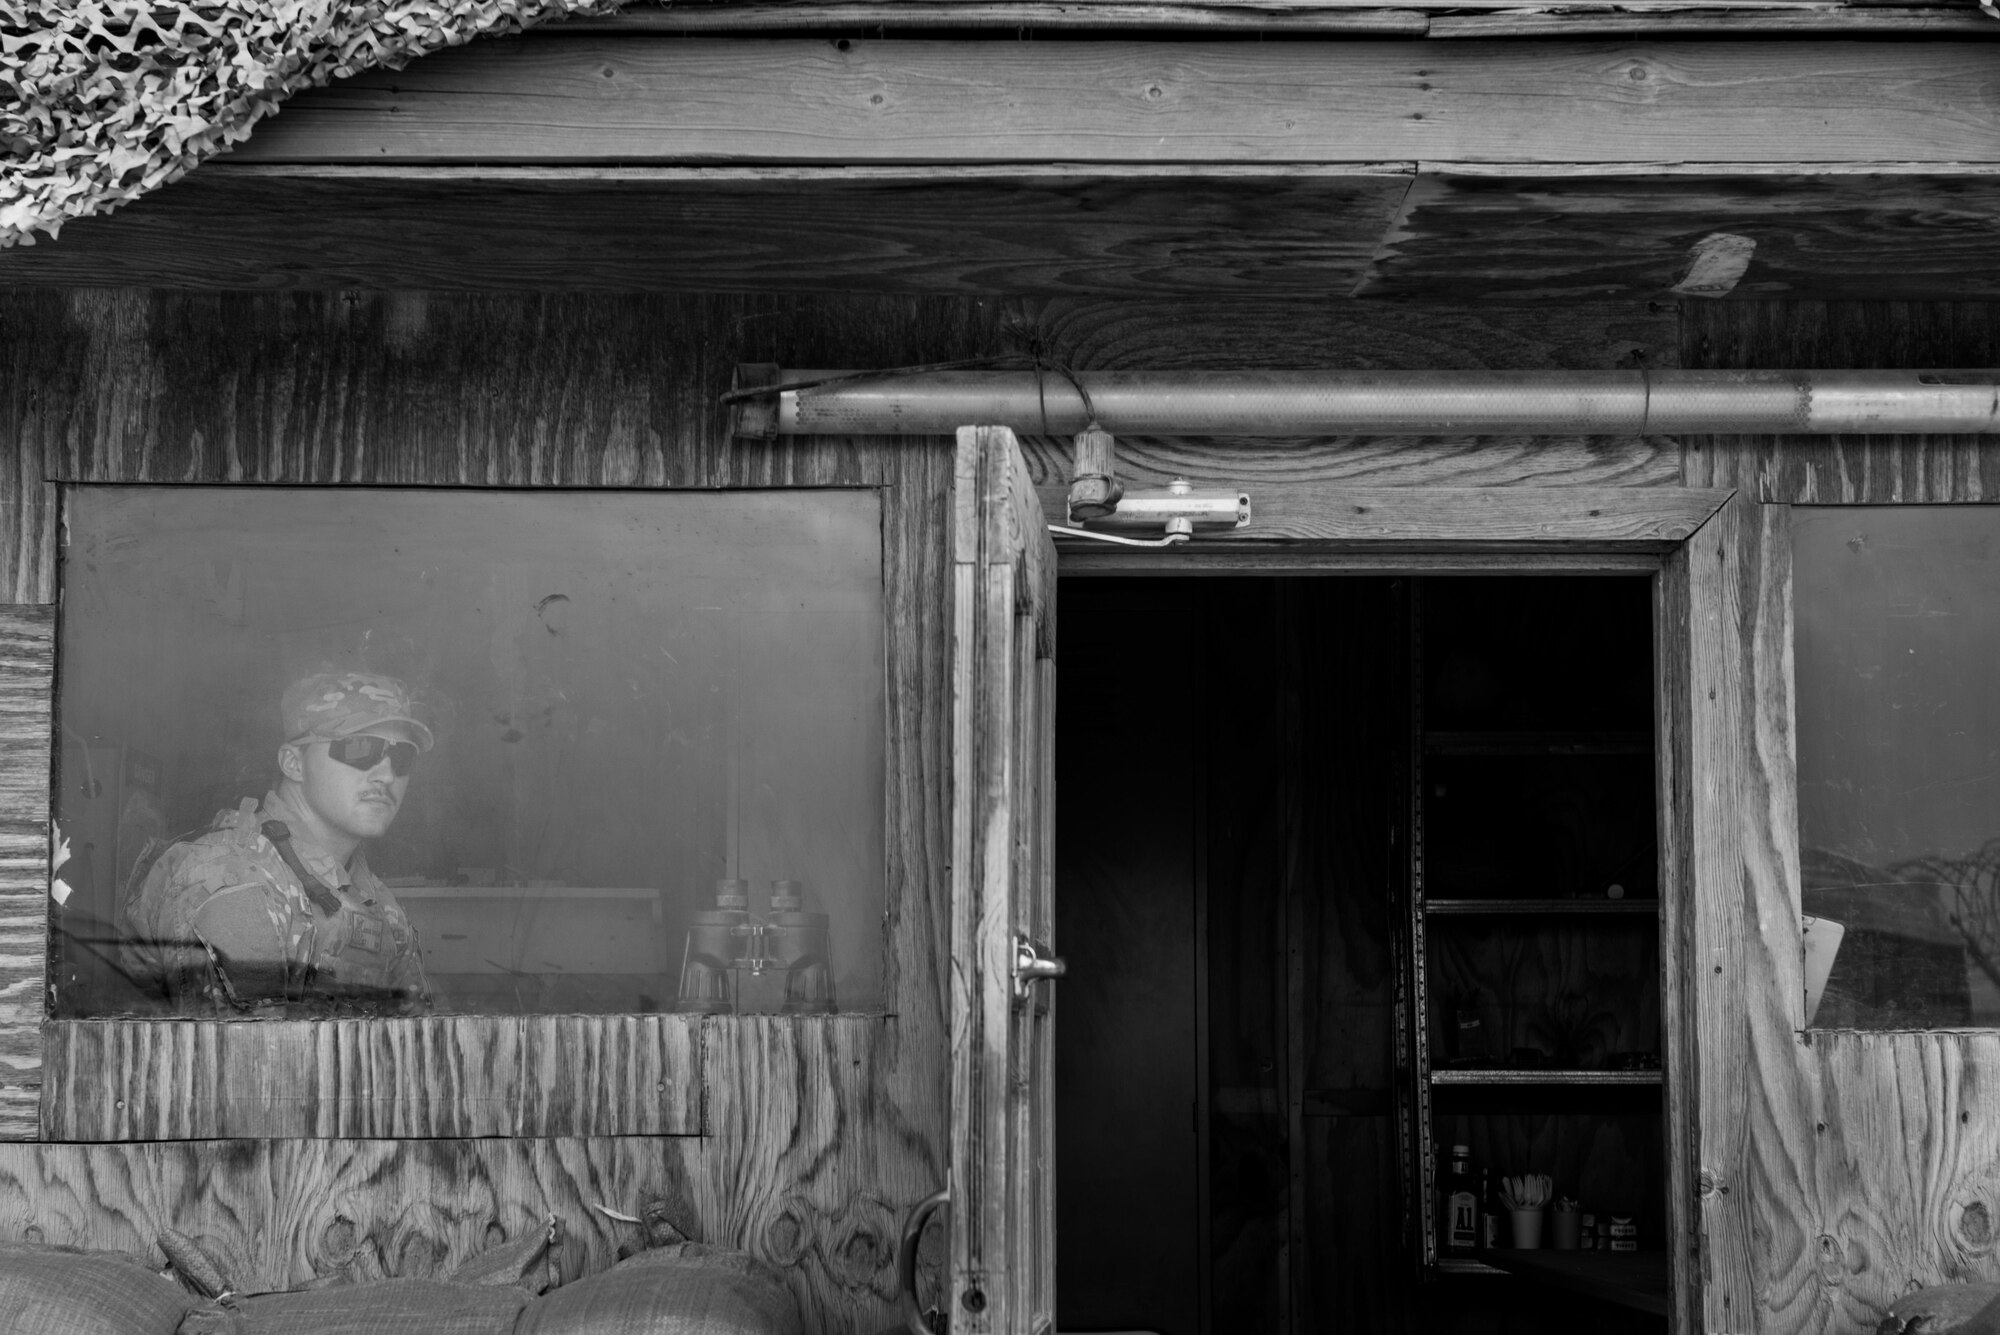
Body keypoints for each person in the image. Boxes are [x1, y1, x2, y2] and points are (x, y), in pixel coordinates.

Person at [125, 670, 434, 1014]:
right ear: (293, 763)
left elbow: (417, 1038)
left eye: (402, 756)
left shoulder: (376, 903)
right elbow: (253, 1059)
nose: (387, 774)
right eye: (360, 748)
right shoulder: (231, 876)